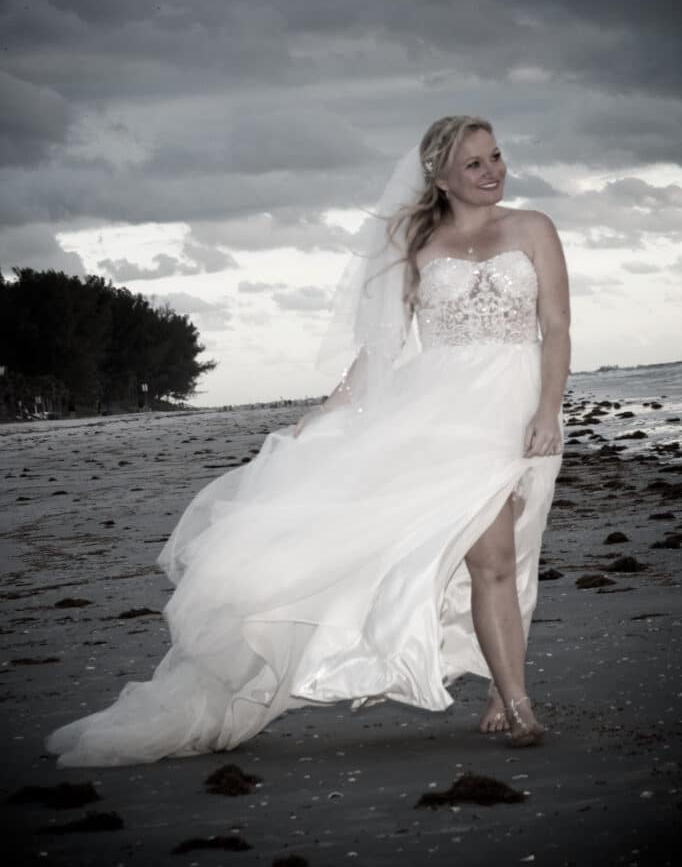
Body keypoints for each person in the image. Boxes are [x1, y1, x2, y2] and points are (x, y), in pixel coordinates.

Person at [46, 114, 570, 767]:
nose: (494, 171)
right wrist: (327, 411)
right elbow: (378, 352)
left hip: (517, 404)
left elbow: (555, 325)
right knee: (488, 556)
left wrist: (549, 408)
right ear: (440, 176)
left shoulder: (532, 229)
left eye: (496, 157)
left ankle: (500, 688)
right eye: (475, 164)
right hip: (441, 414)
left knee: (509, 553)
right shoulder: (418, 245)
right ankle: (519, 704)